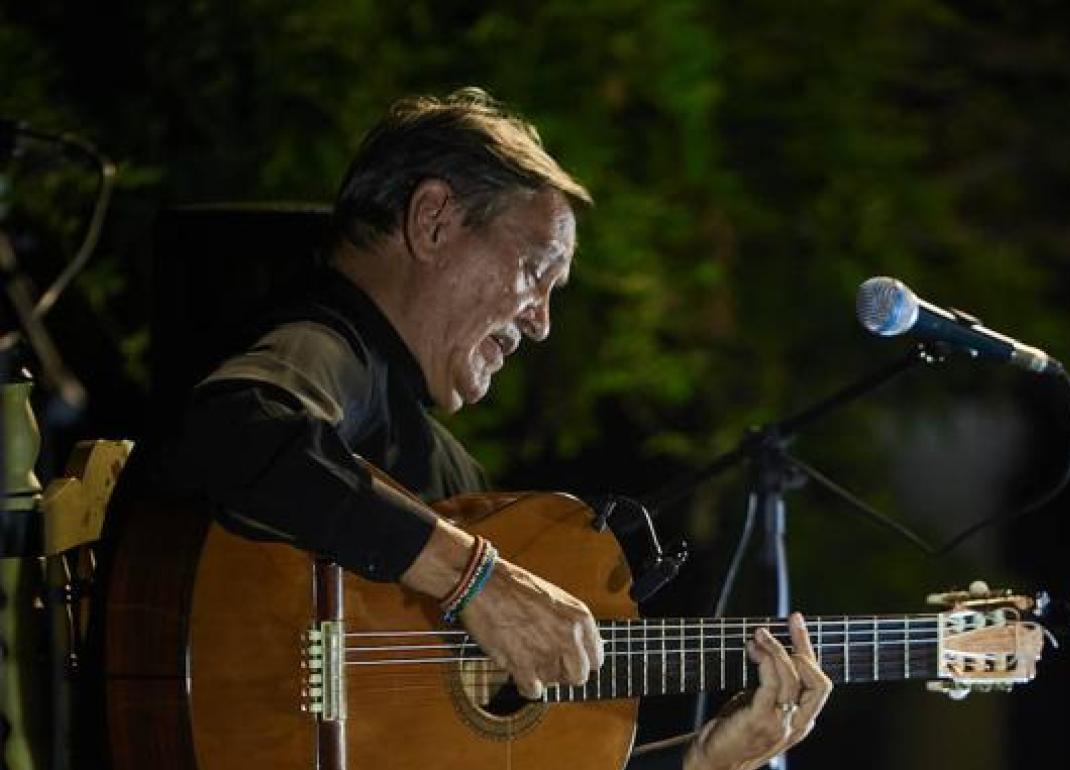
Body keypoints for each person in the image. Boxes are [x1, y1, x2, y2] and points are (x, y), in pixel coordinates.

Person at [145, 88, 832, 770]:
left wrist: (702, 761)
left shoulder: (450, 478)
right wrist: (476, 579)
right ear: (434, 220)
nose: (542, 323)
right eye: (535, 271)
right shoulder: (331, 345)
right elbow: (235, 428)